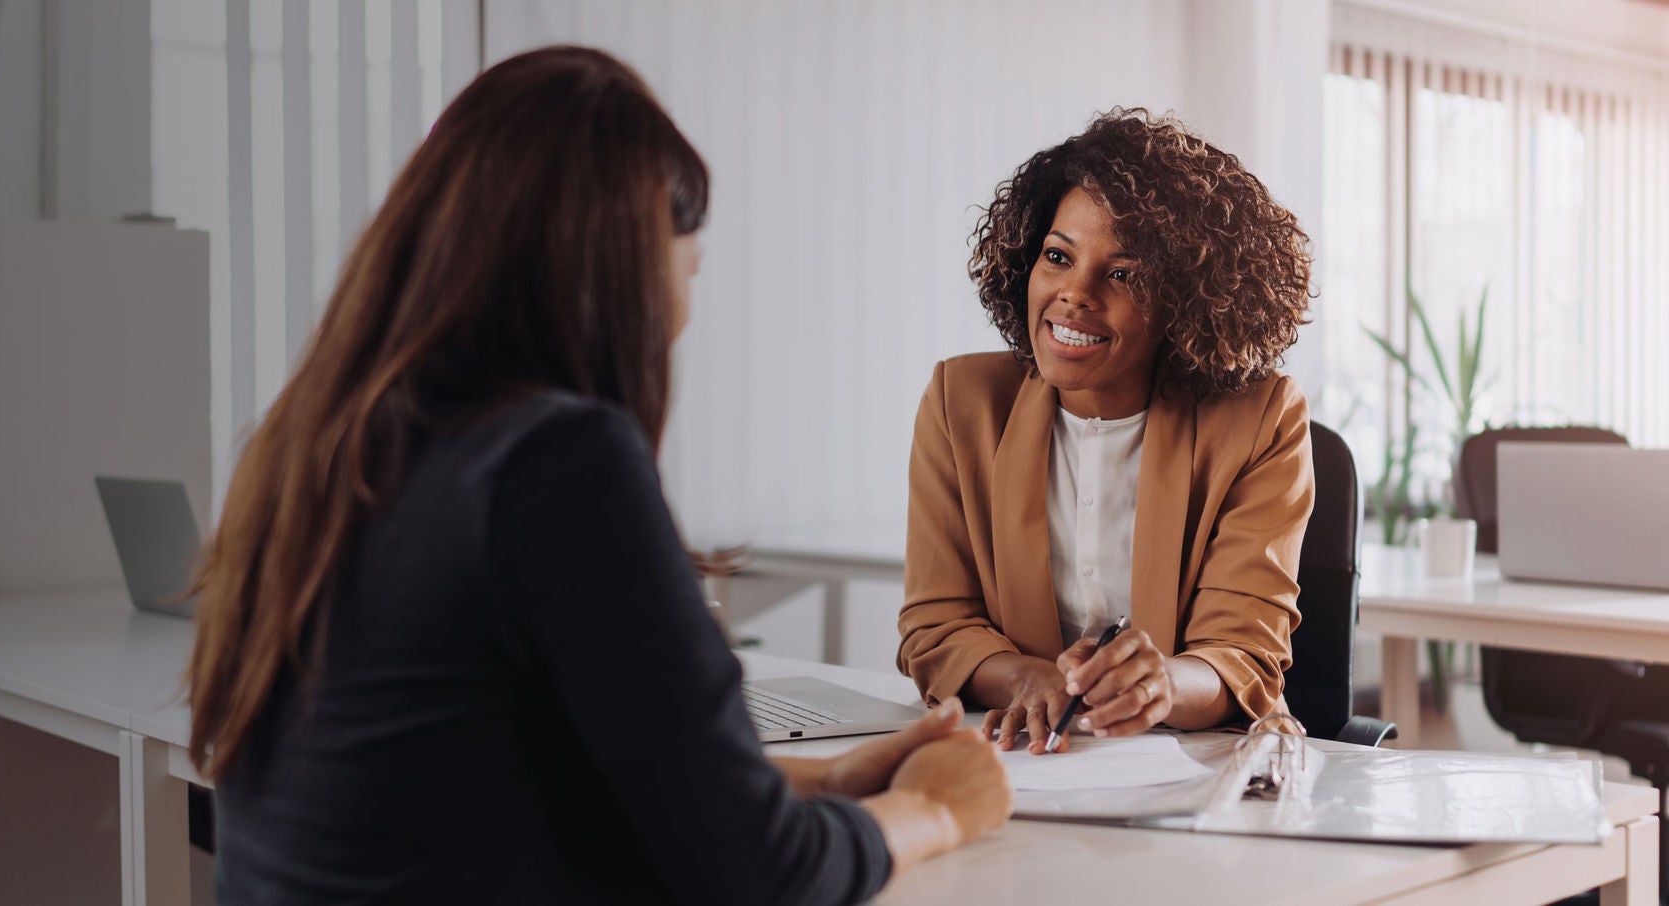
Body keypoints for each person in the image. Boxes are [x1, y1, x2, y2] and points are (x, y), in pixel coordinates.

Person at [186, 46, 1009, 905]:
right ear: (619, 271)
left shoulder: (304, 448)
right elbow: (761, 878)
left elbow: (506, 779)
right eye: (686, 275)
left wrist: (828, 781)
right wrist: (933, 810)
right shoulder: (555, 465)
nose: (681, 326)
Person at [898, 108, 1316, 754]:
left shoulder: (1261, 420)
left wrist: (1164, 685)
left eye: (1121, 274)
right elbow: (936, 627)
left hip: (1202, 775)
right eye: (1058, 257)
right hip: (1027, 767)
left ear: (1184, 300)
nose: (1073, 294)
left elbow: (1243, 653)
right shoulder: (962, 405)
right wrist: (1027, 679)